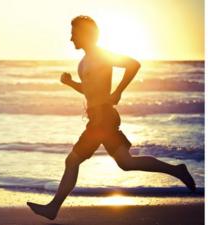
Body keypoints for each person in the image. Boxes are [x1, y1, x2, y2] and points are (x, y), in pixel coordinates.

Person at [26, 15, 196, 220]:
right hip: (99, 118)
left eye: (74, 33)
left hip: (103, 119)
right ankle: (177, 171)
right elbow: (90, 92)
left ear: (85, 34)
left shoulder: (101, 56)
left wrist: (118, 91)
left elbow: (133, 64)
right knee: (126, 162)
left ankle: (53, 207)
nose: (71, 38)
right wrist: (71, 84)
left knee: (72, 161)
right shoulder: (84, 62)